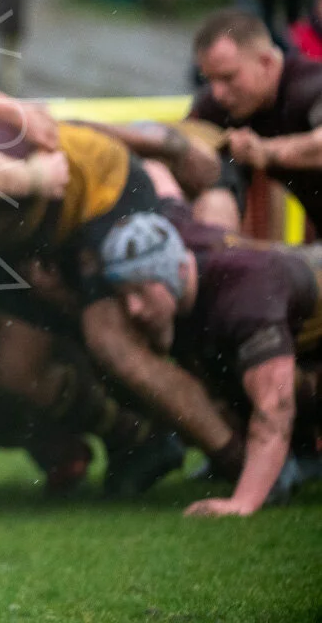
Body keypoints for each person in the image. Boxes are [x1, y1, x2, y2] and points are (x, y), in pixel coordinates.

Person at [102, 208, 320, 516]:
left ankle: (301, 454)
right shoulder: (182, 254)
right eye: (123, 295)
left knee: (277, 381)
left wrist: (243, 502)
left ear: (176, 270)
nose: (133, 308)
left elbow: (276, 406)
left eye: (140, 289)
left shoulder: (245, 294)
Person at [189, 9, 322, 229]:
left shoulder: (312, 84)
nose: (217, 93)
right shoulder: (220, 104)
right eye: (209, 79)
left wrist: (265, 151)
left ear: (267, 62)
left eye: (228, 77)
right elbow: (181, 141)